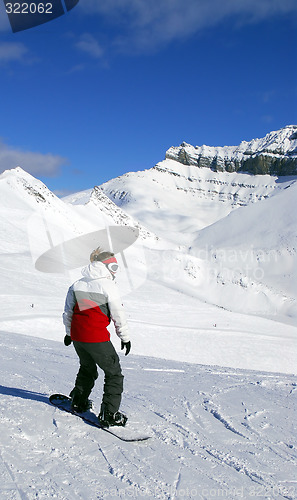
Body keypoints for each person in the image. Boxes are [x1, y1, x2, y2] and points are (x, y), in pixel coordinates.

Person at [62, 247, 131, 427]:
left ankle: (78, 401)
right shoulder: (108, 286)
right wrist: (125, 337)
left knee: (87, 368)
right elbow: (118, 314)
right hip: (96, 337)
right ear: (106, 266)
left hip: (78, 336)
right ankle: (109, 414)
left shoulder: (77, 284)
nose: (115, 271)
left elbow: (68, 311)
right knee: (114, 373)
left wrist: (69, 334)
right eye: (114, 267)